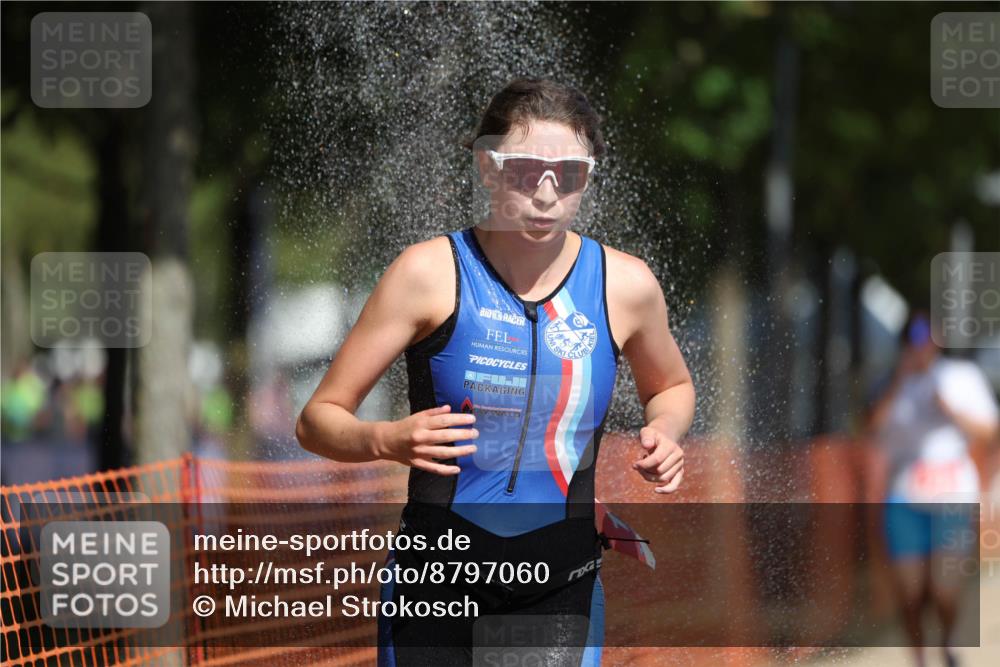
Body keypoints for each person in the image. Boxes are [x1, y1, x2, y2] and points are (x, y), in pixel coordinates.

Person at [296, 78, 696, 666]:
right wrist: (384, 439)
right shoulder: (427, 273)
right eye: (526, 169)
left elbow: (672, 387)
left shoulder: (624, 286)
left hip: (557, 587)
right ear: (487, 168)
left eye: (571, 173)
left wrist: (667, 430)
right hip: (433, 585)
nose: (547, 192)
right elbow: (317, 420)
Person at [866, 312, 999, 667]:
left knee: (944, 589)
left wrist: (950, 409)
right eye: (915, 340)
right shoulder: (892, 381)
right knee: (910, 592)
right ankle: (920, 659)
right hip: (906, 496)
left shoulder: (961, 377)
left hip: (953, 496)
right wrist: (898, 382)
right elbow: (873, 428)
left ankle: (950, 642)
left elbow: (989, 432)